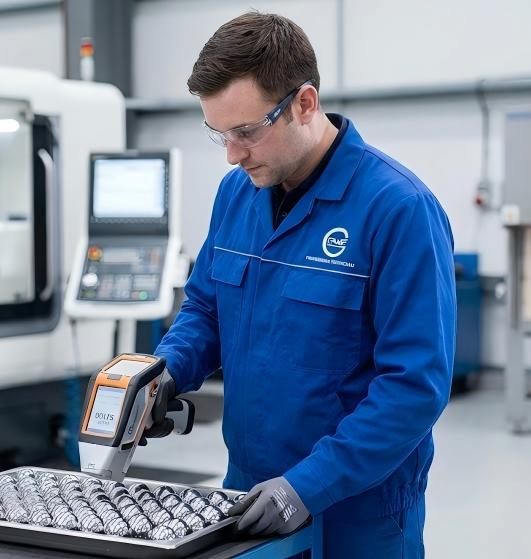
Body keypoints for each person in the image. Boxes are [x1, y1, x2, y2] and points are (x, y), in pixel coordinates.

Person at [143, 11, 456, 557]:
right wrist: (164, 373)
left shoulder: (398, 210)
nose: (232, 154)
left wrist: (307, 486)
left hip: (356, 510)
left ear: (304, 103)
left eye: (246, 131)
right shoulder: (236, 195)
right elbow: (206, 310)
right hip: (245, 494)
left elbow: (414, 387)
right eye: (218, 133)